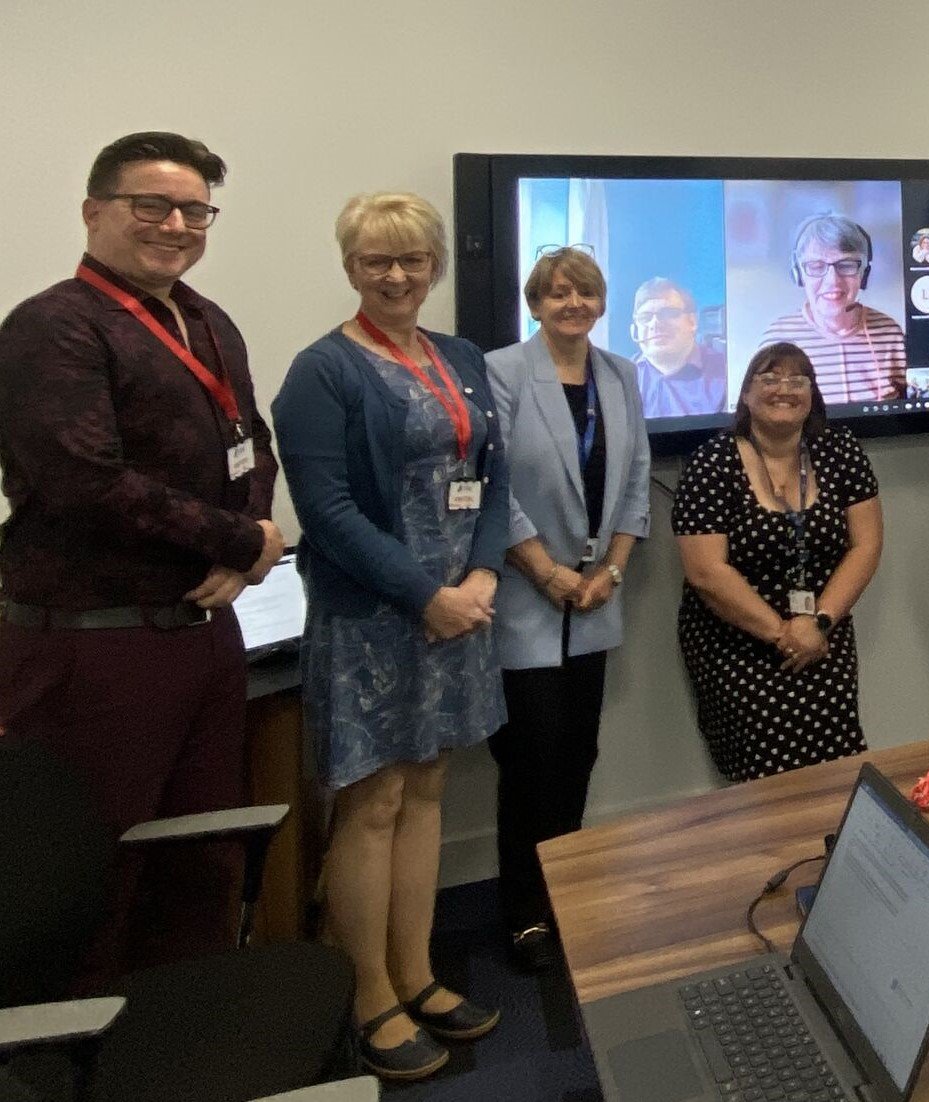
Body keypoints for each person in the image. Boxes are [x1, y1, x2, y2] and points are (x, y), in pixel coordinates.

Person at [0, 131, 282, 989]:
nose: (175, 224)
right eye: (149, 205)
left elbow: (251, 442)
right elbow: (82, 481)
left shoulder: (203, 317)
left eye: (194, 209)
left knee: (202, 861)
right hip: (94, 650)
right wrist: (238, 542)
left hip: (198, 634)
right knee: (94, 875)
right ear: (94, 212)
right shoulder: (53, 327)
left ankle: (179, 1047)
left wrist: (255, 543)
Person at [274, 193, 507, 1080]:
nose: (397, 276)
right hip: (375, 618)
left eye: (412, 260)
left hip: (459, 613)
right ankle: (368, 992)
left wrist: (483, 573)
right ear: (350, 267)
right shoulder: (321, 371)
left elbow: (491, 473)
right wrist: (426, 595)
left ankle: (418, 975)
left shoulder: (459, 356)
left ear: (435, 266)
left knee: (429, 788)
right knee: (370, 805)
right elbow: (325, 512)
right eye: (377, 260)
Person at [485, 248, 650, 971]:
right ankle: (524, 912)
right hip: (527, 595)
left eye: (583, 292)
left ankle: (565, 899)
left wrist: (611, 568)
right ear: (535, 303)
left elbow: (639, 477)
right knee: (531, 759)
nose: (571, 304)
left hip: (595, 596)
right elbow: (491, 485)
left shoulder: (620, 375)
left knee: (578, 753)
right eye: (556, 294)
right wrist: (546, 571)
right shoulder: (501, 372)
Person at [673, 342, 882, 781]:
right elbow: (706, 572)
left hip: (825, 634)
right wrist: (786, 635)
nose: (784, 389)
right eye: (769, 379)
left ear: (813, 394)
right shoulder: (712, 464)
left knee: (838, 766)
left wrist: (818, 625)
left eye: (797, 380)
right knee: (762, 780)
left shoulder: (840, 451)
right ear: (746, 395)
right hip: (737, 642)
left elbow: (865, 547)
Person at [758, 213, 907, 404]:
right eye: (816, 265)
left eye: (846, 265)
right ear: (798, 273)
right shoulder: (777, 339)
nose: (833, 281)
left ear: (864, 273)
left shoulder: (890, 332)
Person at [629, 276, 728, 417]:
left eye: (668, 313)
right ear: (634, 330)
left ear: (692, 321)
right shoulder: (622, 378)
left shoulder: (726, 371)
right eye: (645, 317)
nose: (655, 324)